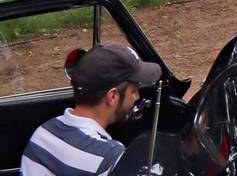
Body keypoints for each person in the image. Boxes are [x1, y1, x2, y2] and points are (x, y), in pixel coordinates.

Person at [21, 42, 162, 176]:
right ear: (112, 96)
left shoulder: (42, 133)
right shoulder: (107, 157)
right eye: (134, 91)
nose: (137, 97)